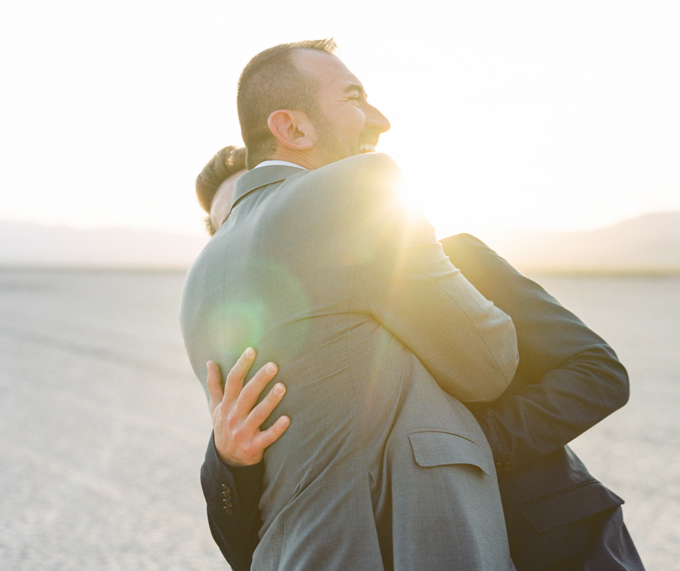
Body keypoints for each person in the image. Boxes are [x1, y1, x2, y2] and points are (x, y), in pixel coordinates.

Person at [193, 141, 645, 570]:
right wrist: (231, 461)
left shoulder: (455, 260)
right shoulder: (253, 343)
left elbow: (598, 372)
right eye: (231, 224)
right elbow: (247, 552)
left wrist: (465, 443)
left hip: (550, 542)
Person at [180, 39, 520, 570]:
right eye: (355, 97)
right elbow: (489, 363)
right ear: (292, 129)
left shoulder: (200, 277)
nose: (379, 119)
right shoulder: (360, 190)